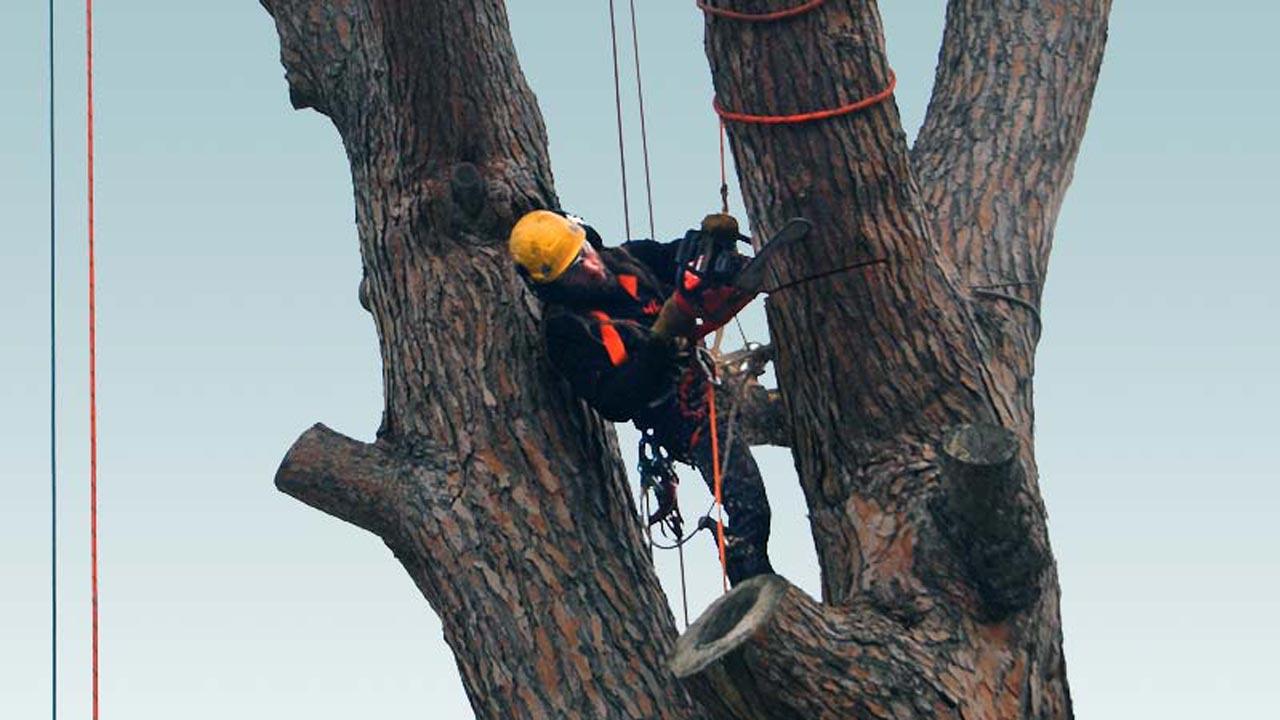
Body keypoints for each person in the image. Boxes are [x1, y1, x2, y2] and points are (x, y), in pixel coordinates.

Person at [508, 208, 774, 584]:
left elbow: (682, 260)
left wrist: (715, 247)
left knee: (797, 415)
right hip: (679, 415)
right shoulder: (566, 331)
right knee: (751, 511)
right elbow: (614, 401)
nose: (589, 266)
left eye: (583, 252)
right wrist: (660, 340)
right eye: (574, 270)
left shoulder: (631, 259)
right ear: (554, 284)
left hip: (714, 380)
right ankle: (752, 580)